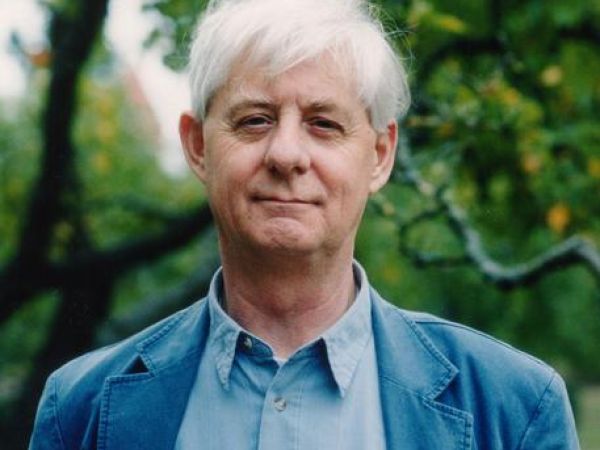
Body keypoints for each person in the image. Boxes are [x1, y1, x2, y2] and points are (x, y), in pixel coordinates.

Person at [30, 0, 580, 448]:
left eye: (323, 123)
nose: (287, 154)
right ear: (197, 146)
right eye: (255, 120)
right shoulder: (79, 411)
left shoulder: (513, 410)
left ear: (380, 155)